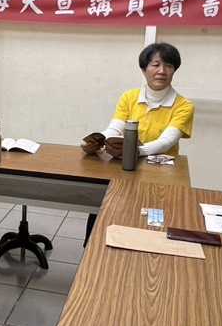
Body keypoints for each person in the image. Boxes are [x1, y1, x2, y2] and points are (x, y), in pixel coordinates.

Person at [79, 42, 194, 239]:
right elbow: (115, 128)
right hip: (124, 168)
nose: (162, 71)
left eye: (168, 66)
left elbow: (166, 142)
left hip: (160, 176)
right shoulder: (129, 97)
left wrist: (134, 152)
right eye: (155, 64)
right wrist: (97, 141)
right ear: (144, 69)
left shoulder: (184, 105)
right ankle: (93, 247)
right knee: (103, 215)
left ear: (174, 70)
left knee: (150, 226)